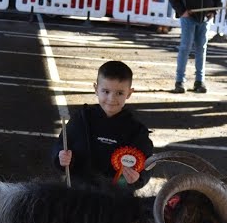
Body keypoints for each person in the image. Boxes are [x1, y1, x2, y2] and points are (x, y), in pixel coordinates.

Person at [53, 60, 154, 193]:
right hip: (77, 194)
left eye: (119, 93)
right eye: (106, 91)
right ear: (96, 89)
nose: (111, 99)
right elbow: (61, 145)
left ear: (129, 93)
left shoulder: (137, 131)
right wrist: (60, 157)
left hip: (115, 199)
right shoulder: (81, 119)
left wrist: (138, 178)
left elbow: (147, 164)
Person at [168, 0, 222, 94]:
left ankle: (199, 81)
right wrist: (182, 11)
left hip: (205, 18)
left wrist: (213, 10)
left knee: (201, 49)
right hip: (188, 17)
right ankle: (179, 81)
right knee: (185, 47)